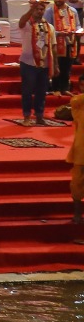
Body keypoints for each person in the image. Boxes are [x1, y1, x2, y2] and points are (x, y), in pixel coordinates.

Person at [17, 0, 57, 126]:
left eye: (41, 9)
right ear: (32, 10)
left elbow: (53, 47)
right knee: (27, 91)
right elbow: (21, 22)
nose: (40, 11)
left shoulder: (49, 27)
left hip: (44, 63)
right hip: (28, 63)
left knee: (41, 91)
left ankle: (39, 116)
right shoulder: (27, 24)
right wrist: (30, 9)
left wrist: (55, 65)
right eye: (37, 9)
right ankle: (27, 116)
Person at [50, 0, 81, 94]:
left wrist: (78, 31)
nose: (57, 0)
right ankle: (56, 88)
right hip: (57, 43)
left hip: (70, 42)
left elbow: (77, 25)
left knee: (67, 67)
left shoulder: (73, 10)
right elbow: (48, 28)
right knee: (57, 66)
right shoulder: (50, 11)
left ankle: (65, 88)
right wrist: (59, 33)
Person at [69, 83, 84, 225]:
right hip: (81, 149)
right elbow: (74, 101)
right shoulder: (79, 104)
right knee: (77, 183)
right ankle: (77, 214)